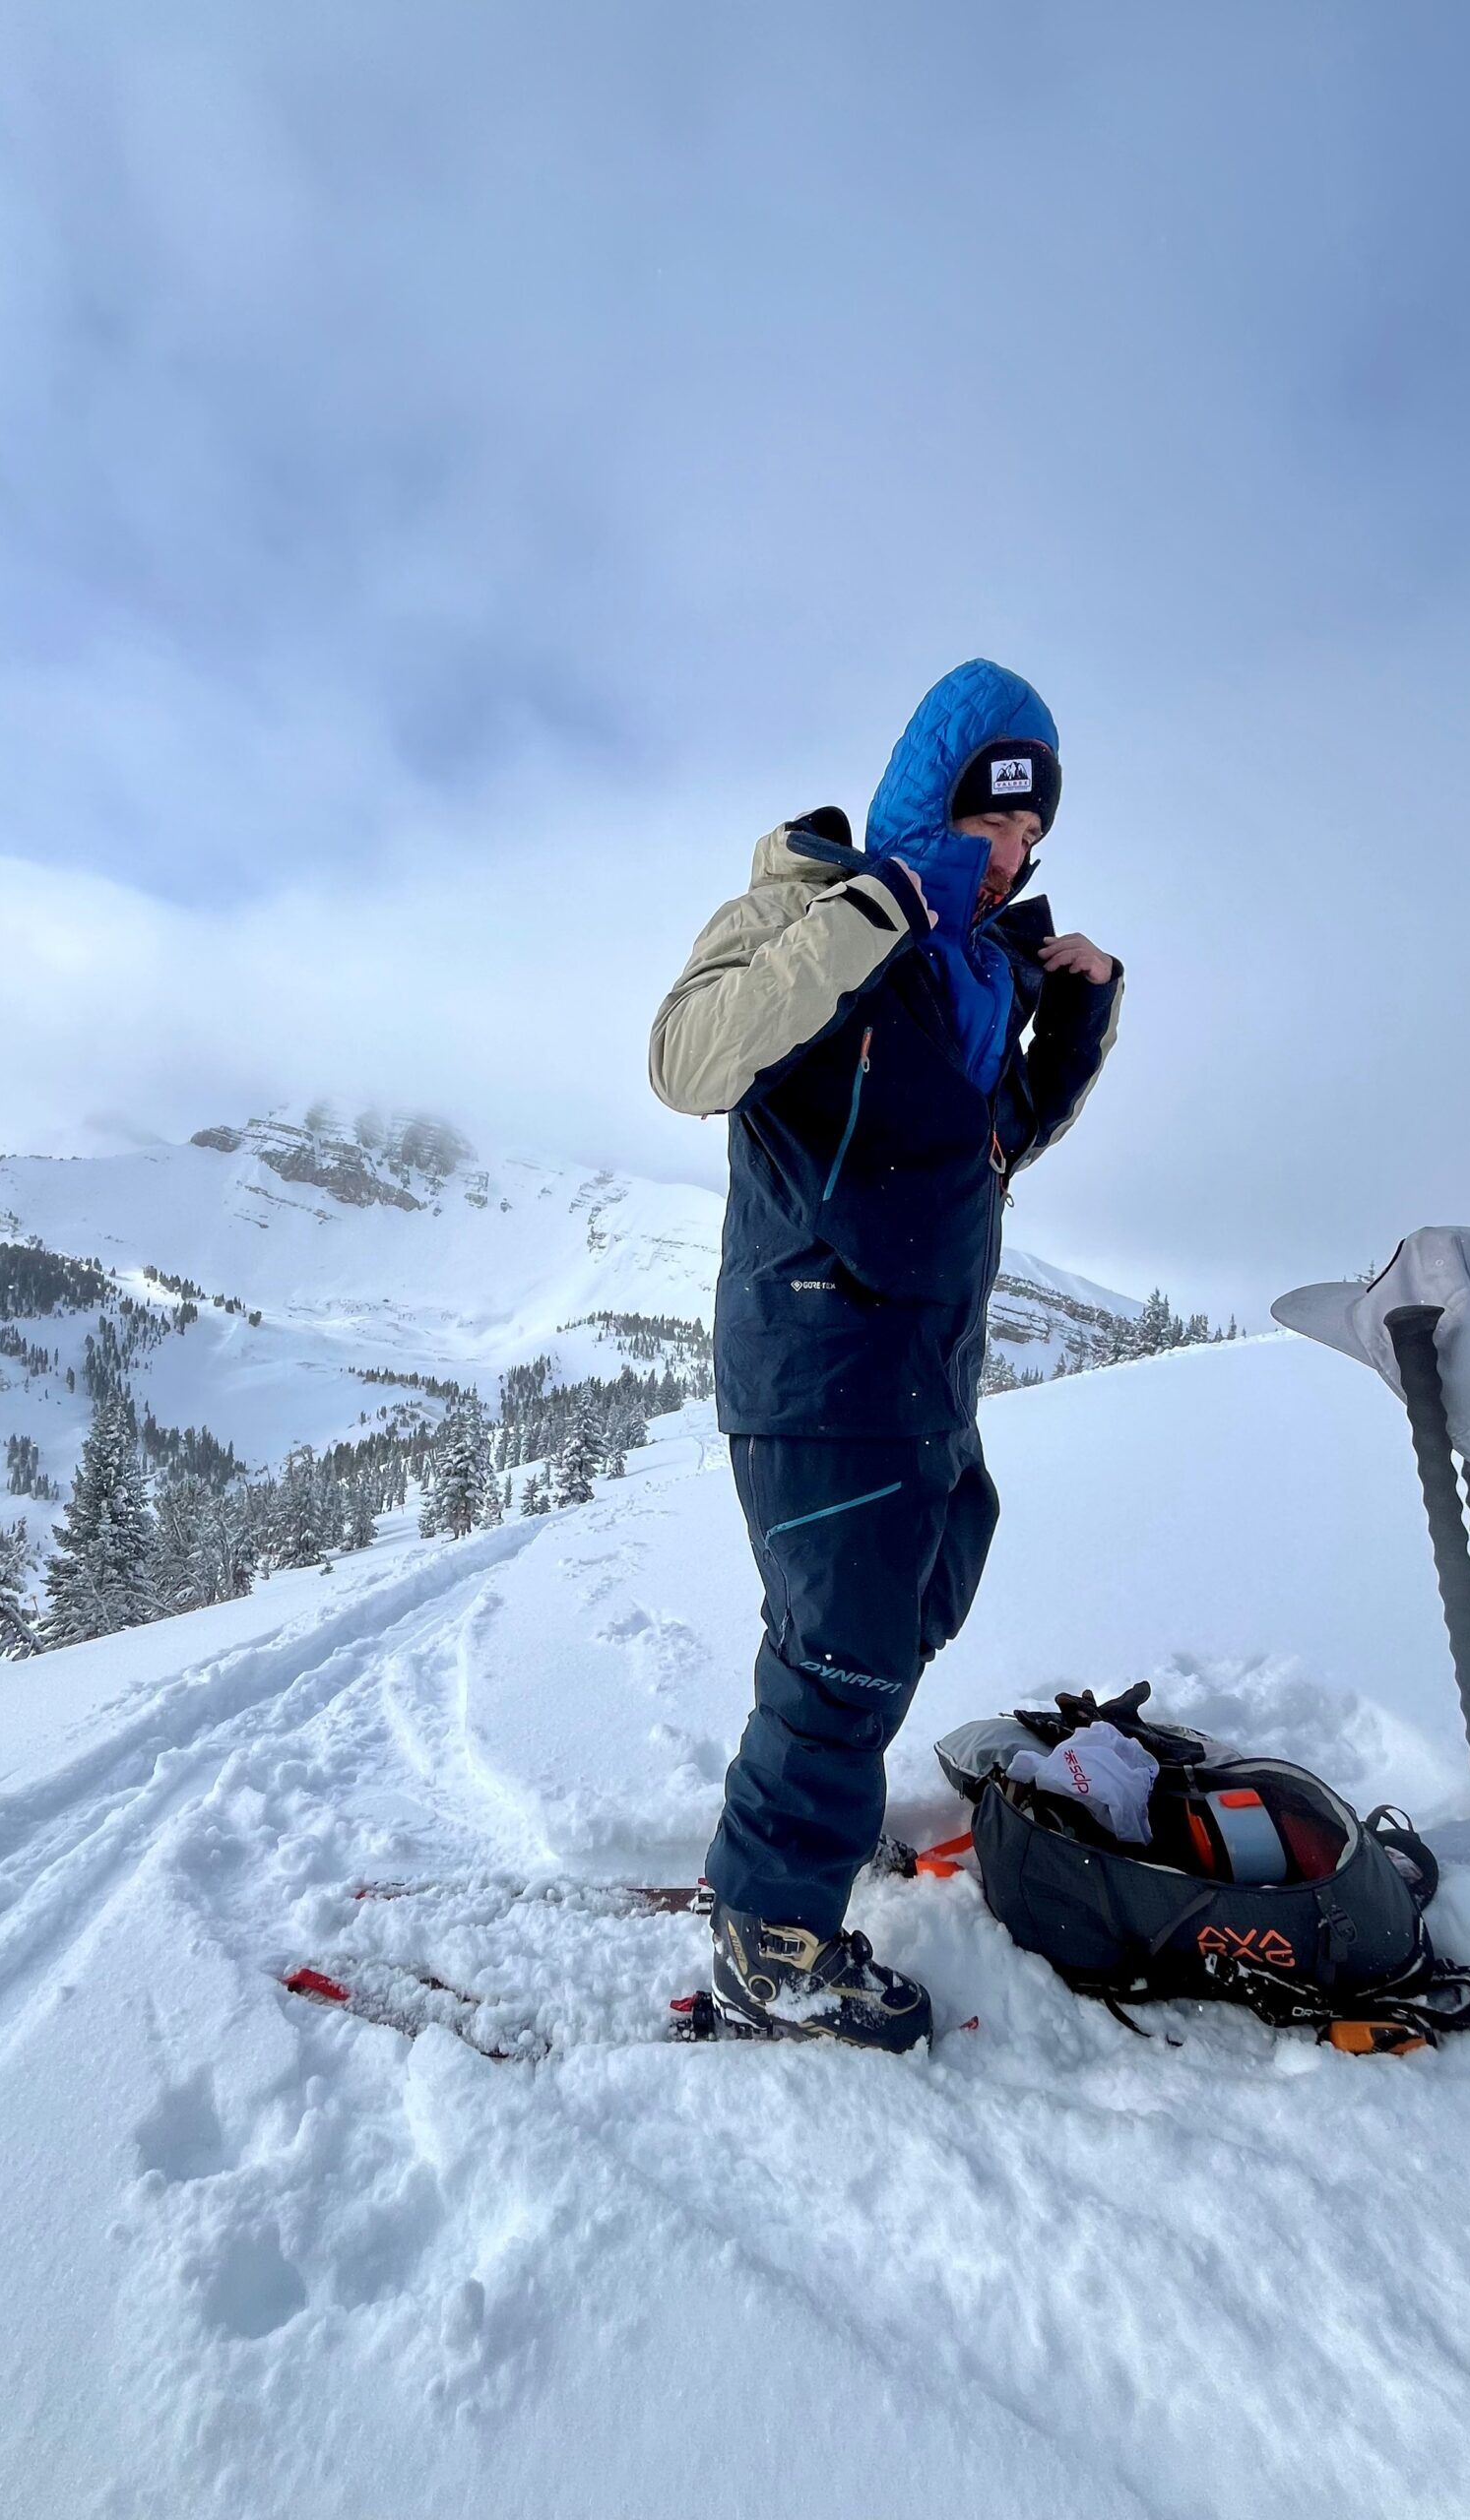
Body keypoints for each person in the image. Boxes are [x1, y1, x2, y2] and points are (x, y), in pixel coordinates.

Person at [648, 660, 1122, 2048]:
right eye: (994, 822)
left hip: (923, 1369)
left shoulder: (971, 975)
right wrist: (872, 913)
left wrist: (1074, 1026)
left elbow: (978, 1155)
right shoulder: (807, 909)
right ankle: (773, 1941)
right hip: (820, 1365)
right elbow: (685, 1063)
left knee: (909, 1604)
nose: (1012, 855)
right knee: (845, 1647)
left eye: (1030, 834)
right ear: (934, 803)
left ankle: (813, 1814)